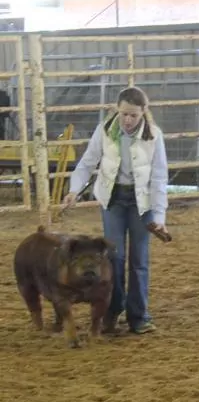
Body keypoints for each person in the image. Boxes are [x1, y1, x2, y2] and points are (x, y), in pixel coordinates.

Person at [62, 86, 169, 335]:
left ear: (144, 112)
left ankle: (139, 316)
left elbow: (159, 177)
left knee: (139, 260)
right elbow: (87, 162)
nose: (128, 120)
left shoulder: (155, 136)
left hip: (142, 203)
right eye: (124, 114)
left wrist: (159, 216)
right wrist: (74, 190)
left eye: (134, 115)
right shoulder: (104, 130)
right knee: (114, 257)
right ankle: (112, 309)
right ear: (117, 110)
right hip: (112, 200)